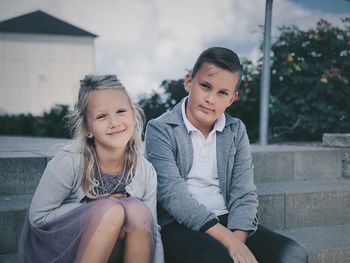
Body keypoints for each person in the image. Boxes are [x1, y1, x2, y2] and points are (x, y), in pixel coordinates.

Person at [145, 47, 308, 263]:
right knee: (219, 259)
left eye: (222, 93)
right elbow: (172, 196)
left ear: (232, 99)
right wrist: (230, 243)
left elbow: (244, 193)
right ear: (189, 82)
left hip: (229, 220)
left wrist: (237, 241)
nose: (210, 99)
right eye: (205, 86)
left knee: (294, 255)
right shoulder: (161, 128)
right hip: (179, 224)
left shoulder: (235, 130)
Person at [17, 74, 164, 263]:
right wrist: (96, 208)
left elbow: (153, 230)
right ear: (88, 128)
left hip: (120, 249)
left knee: (138, 211)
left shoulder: (145, 171)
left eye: (121, 111)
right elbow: (38, 217)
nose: (114, 122)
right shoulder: (70, 161)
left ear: (134, 115)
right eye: (102, 116)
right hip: (62, 248)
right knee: (113, 211)